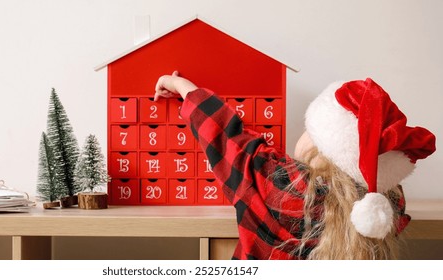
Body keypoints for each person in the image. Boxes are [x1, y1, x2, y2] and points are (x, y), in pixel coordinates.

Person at [153, 71, 436, 260]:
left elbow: (226, 135)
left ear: (319, 143)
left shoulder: (280, 184)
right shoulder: (387, 207)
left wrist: (181, 86)